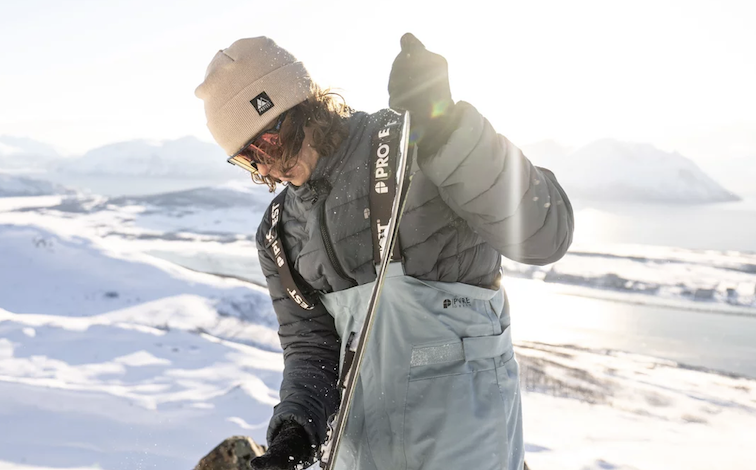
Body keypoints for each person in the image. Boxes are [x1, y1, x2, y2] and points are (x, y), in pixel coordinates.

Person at [195, 34, 574, 470]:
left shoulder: (415, 141)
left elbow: (548, 236)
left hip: (468, 443)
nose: (264, 168)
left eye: (264, 145)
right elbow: (311, 351)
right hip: (364, 453)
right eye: (245, 159)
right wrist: (293, 436)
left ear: (297, 105)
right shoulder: (279, 234)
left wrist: (451, 134)